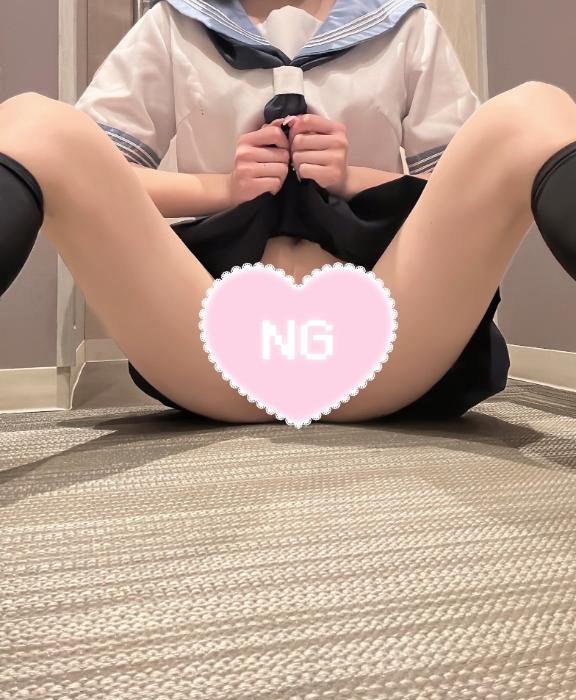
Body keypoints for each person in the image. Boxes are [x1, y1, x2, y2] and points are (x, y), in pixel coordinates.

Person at [1, 0, 576, 425]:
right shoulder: (173, 25)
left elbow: (460, 187)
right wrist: (225, 189)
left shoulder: (407, 25)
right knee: (34, 123)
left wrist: (352, 180)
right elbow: (101, 175)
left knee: (533, 112)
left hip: (392, 340)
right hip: (207, 345)